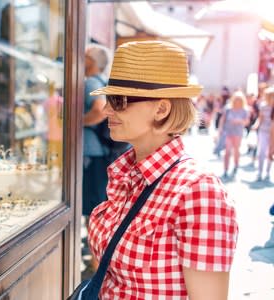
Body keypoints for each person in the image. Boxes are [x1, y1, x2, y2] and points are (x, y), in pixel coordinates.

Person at [87, 41, 238, 299]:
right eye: (109, 98)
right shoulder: (126, 175)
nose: (107, 109)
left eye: (119, 100)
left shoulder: (198, 191)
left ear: (161, 108)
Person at [81, 44, 110, 217]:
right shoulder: (103, 80)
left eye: (84, 57)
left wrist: (78, 122)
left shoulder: (91, 82)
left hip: (92, 152)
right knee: (97, 198)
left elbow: (100, 110)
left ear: (90, 61)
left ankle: (93, 240)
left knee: (92, 199)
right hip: (102, 148)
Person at [219, 91, 250, 178]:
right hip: (228, 132)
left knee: (236, 150)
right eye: (236, 99)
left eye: (239, 100)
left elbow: (247, 122)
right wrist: (220, 129)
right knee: (227, 151)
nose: (237, 101)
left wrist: (239, 121)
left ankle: (236, 165)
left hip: (238, 133)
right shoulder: (228, 108)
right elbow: (222, 119)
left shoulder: (244, 110)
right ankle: (225, 169)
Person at [254, 87, 274, 181]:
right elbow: (260, 118)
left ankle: (268, 172)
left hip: (273, 133)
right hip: (263, 131)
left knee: (270, 152)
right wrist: (256, 125)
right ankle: (260, 171)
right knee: (262, 152)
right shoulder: (263, 106)